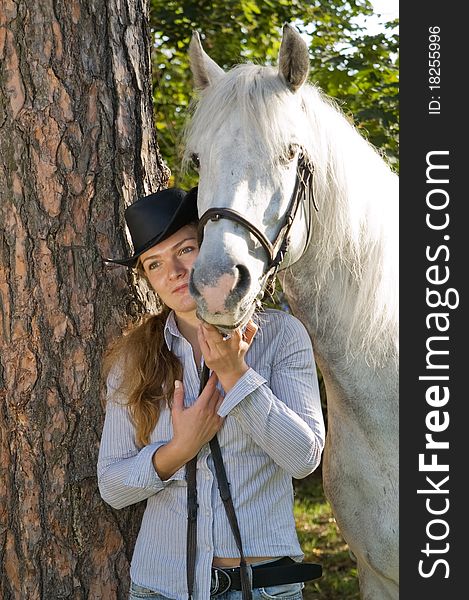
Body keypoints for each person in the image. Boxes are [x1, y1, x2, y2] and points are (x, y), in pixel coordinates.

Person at [97, 187, 325, 600]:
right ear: (148, 278)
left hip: (262, 588)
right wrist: (180, 448)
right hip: (162, 588)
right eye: (155, 263)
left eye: (185, 249)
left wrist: (235, 375)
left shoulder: (279, 336)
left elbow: (304, 459)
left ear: (210, 249)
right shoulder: (132, 359)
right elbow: (112, 486)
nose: (174, 271)